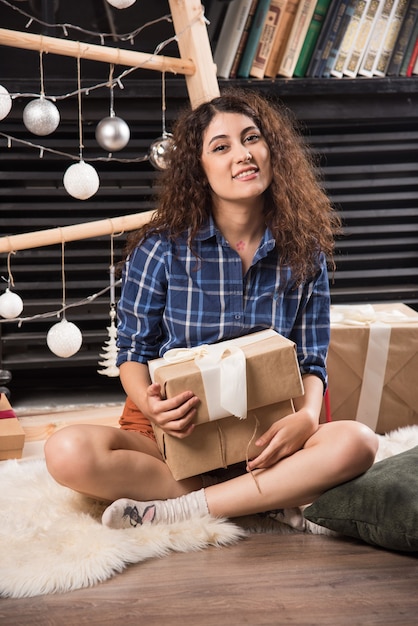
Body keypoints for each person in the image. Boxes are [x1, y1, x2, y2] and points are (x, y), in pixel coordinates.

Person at [45, 88, 378, 530]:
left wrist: (307, 417)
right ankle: (267, 496)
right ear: (199, 171)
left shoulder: (305, 251)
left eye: (251, 138)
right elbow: (131, 351)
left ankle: (183, 509)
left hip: (267, 436)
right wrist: (149, 402)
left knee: (359, 443)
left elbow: (312, 359)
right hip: (172, 437)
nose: (242, 154)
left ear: (272, 150)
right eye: (221, 147)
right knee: (65, 451)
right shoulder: (159, 250)